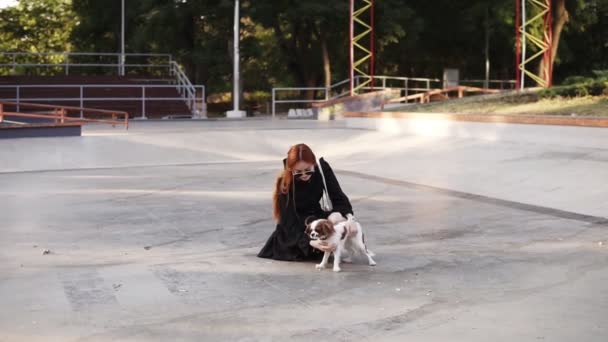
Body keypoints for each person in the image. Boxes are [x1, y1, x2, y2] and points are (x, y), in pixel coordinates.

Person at [258, 143, 357, 261]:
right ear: (291, 169)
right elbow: (288, 222)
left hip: (316, 219)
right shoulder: (284, 183)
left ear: (313, 164)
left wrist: (350, 219)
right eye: (298, 172)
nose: (304, 175)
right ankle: (318, 247)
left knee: (337, 218)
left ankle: (332, 245)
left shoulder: (322, 170)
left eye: (308, 170)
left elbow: (339, 198)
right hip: (296, 228)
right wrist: (312, 242)